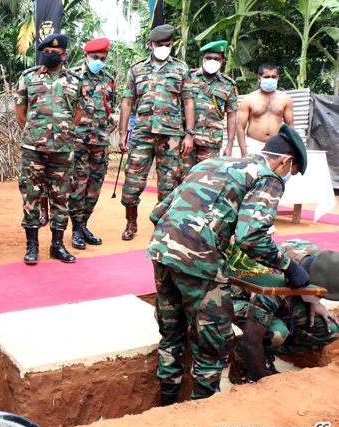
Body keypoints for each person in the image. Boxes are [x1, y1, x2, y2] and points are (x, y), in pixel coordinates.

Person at [147, 124, 309, 404]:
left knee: (171, 335)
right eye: (290, 172)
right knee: (212, 344)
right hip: (201, 263)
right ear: (286, 160)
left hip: (162, 252)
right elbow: (251, 237)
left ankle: (167, 407)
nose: (286, 178)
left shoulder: (212, 162)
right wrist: (291, 268)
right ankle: (204, 411)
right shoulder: (267, 176)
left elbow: (158, 212)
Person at [119, 24, 195, 241]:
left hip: (171, 136)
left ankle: (163, 227)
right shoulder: (136, 69)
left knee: (169, 183)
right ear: (151, 45)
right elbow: (127, 102)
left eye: (168, 45)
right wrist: (123, 132)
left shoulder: (181, 69)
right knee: (133, 180)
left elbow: (188, 102)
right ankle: (131, 223)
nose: (164, 48)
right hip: (142, 134)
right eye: (160, 45)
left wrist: (189, 133)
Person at [14, 33, 84, 265]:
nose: (49, 56)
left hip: (63, 150)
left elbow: (79, 115)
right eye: (46, 52)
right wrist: (37, 136)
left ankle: (57, 245)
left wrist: (61, 134)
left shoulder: (75, 81)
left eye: (55, 53)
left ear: (64, 55)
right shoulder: (27, 77)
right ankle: (32, 245)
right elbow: (20, 115)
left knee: (61, 197)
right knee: (31, 195)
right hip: (32, 149)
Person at [228, 239, 339, 384]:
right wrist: (264, 383)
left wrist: (314, 301)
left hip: (286, 296)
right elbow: (251, 340)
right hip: (240, 296)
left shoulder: (320, 259)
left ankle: (266, 351)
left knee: (331, 329)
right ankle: (239, 365)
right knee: (276, 333)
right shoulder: (273, 285)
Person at [69, 37, 115, 250]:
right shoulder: (72, 77)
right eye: (95, 57)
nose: (99, 61)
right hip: (78, 142)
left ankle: (85, 224)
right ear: (86, 56)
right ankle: (76, 229)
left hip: (100, 142)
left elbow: (109, 109)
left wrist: (111, 124)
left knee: (94, 187)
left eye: (102, 58)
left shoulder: (109, 79)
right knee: (78, 186)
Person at [182, 40, 238, 180]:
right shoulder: (187, 77)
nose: (212, 61)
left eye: (216, 59)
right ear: (202, 59)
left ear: (222, 61)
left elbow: (232, 116)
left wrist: (229, 145)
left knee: (205, 181)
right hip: (185, 139)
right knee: (182, 179)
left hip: (211, 142)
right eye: (208, 58)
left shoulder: (228, 84)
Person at [237, 62, 294, 156]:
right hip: (254, 145)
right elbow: (240, 128)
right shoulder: (248, 99)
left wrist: (291, 149)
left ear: (278, 78)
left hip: (277, 145)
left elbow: (290, 125)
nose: (270, 79)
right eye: (267, 77)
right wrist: (244, 153)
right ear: (259, 78)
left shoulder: (286, 99)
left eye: (273, 77)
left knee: (276, 171)